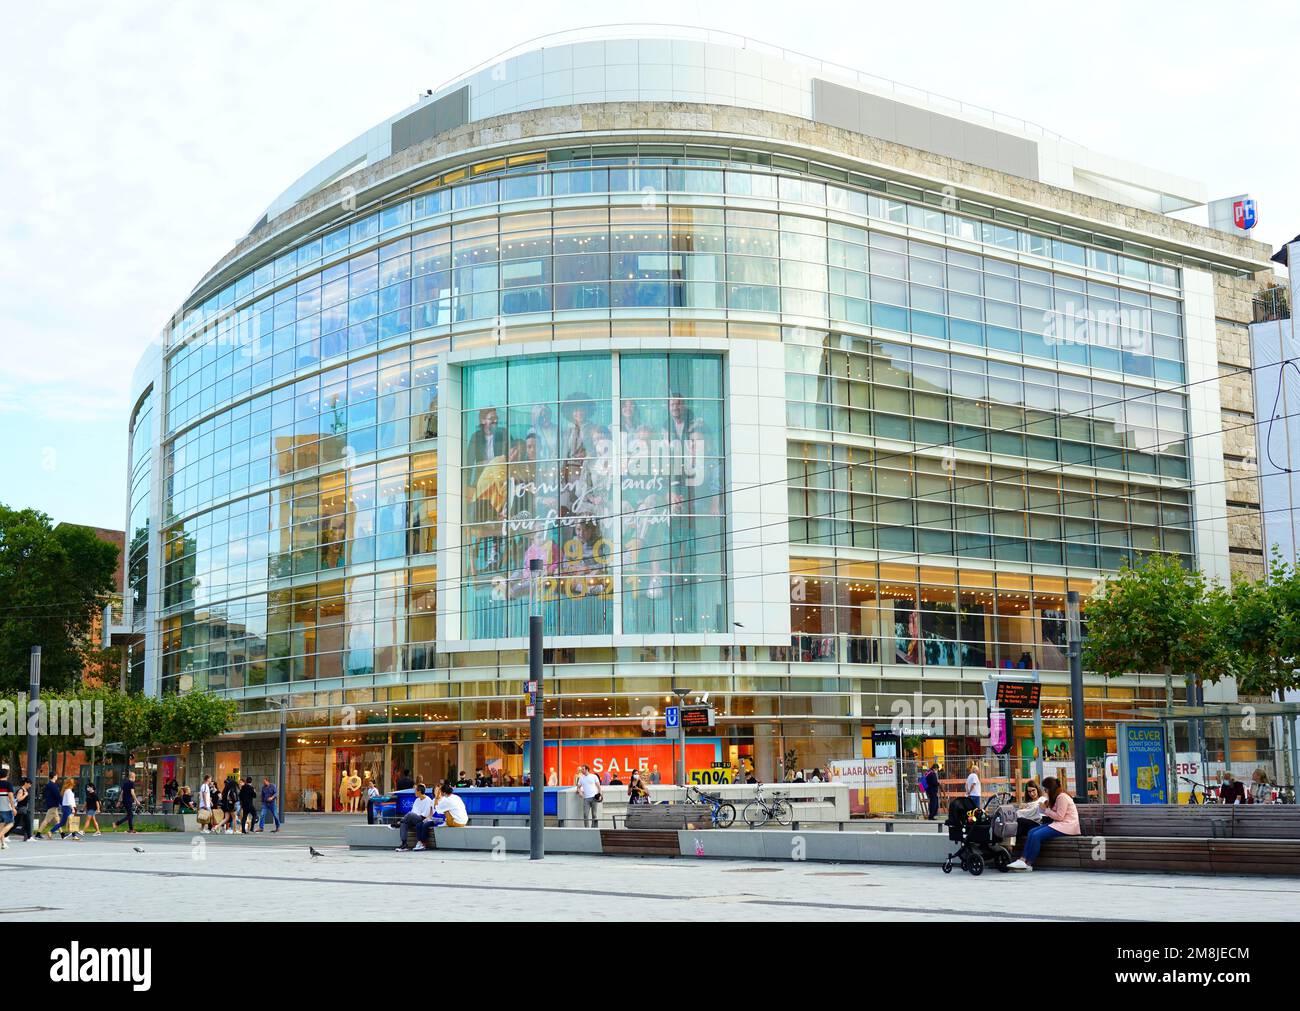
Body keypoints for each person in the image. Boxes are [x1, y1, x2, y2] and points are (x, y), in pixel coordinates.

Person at [1007, 776, 1079, 871]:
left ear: (1050, 788)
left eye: (1046, 789)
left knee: (1036, 835)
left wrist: (1046, 809)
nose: (1045, 791)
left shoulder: (1062, 797)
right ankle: (1022, 860)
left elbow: (1059, 817)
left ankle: (1029, 863)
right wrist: (1046, 806)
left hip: (1067, 826)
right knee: (1032, 832)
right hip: (1060, 824)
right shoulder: (1057, 796)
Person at [396, 784, 436, 851]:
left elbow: (425, 815)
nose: (414, 792)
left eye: (415, 791)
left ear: (419, 791)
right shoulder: (417, 800)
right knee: (404, 824)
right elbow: (413, 811)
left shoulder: (428, 800)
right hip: (413, 818)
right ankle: (404, 844)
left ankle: (399, 822)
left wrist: (412, 816)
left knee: (410, 815)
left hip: (421, 819)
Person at [0, 766, 14, 849]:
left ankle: (3, 844)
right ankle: (1, 835)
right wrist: (13, 807)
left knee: (1, 825)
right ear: (6, 775)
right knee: (10, 823)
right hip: (5, 808)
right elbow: (11, 796)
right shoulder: (8, 784)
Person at [14, 777, 33, 841]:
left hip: (23, 809)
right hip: (21, 809)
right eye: (29, 784)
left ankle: (5, 835)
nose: (30, 786)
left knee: (16, 823)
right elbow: (18, 799)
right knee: (27, 822)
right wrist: (25, 795)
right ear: (26, 783)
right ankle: (29, 837)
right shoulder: (21, 790)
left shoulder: (25, 790)